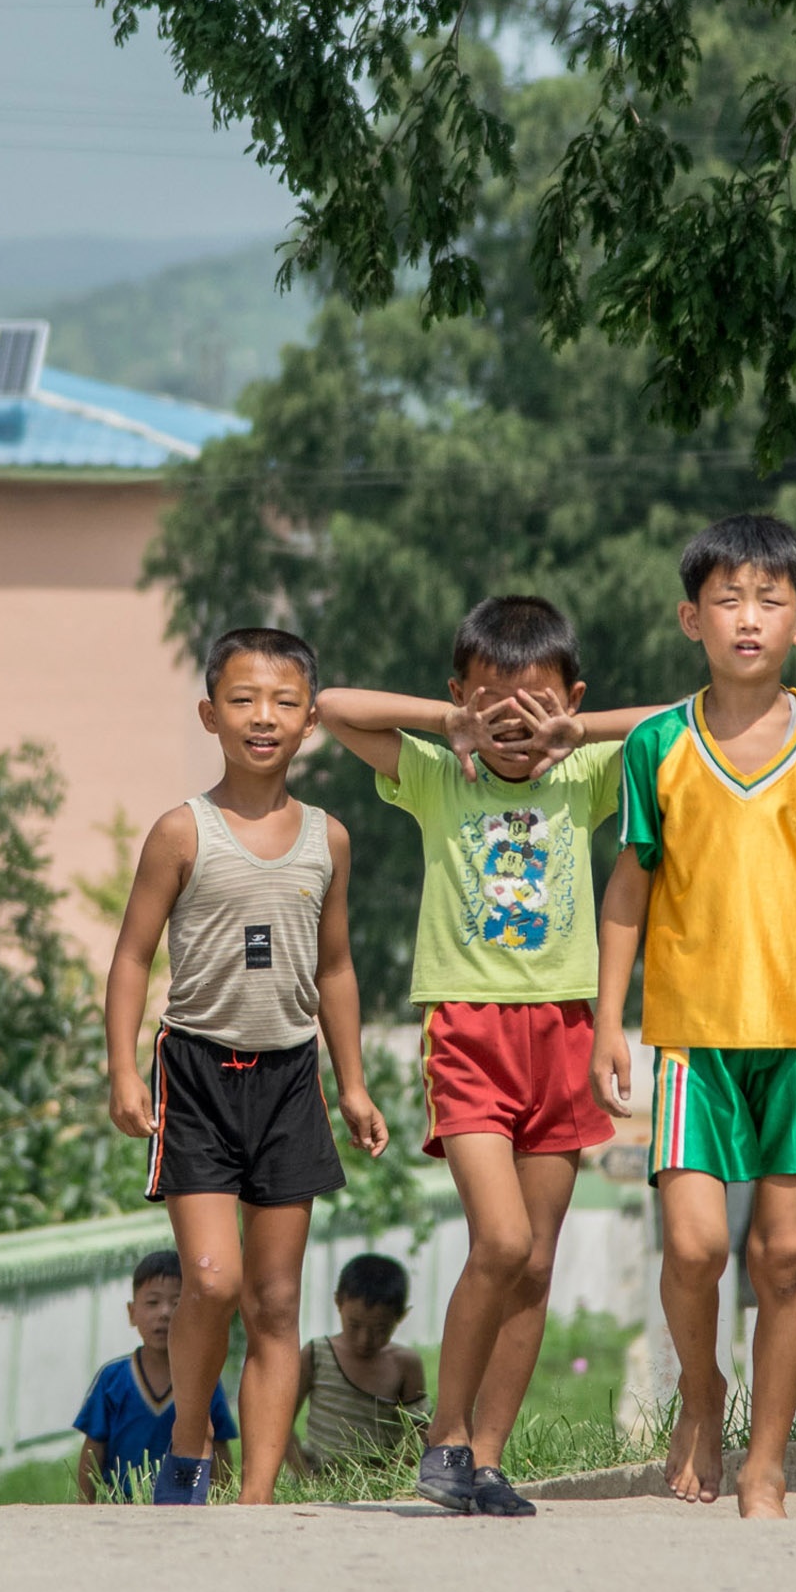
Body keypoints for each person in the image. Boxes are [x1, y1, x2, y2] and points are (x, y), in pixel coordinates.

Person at [589, 513, 796, 1518]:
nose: (747, 618)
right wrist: (610, 1021)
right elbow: (628, 888)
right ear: (691, 618)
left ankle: (764, 1463)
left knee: (783, 1257)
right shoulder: (657, 747)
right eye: (727, 599)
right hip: (691, 1042)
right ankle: (701, 1392)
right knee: (694, 1248)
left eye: (769, 601)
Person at [315, 596, 643, 1518]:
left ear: (571, 701)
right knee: (498, 1240)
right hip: (468, 1031)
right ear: (462, 697)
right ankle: (444, 1438)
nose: (514, 728)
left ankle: (487, 1459)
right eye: (493, 707)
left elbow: (686, 720)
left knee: (535, 1262)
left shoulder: (584, 776)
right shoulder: (438, 777)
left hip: (565, 1033)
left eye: (535, 708)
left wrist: (574, 730)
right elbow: (333, 706)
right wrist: (445, 722)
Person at [101, 627, 389, 1507]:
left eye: (284, 702)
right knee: (214, 1282)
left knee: (273, 1302)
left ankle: (254, 1499)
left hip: (290, 1079)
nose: (263, 718)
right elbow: (131, 957)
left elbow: (335, 968)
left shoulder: (329, 840)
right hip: (195, 1074)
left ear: (309, 720)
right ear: (209, 714)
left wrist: (353, 1083)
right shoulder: (183, 833)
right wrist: (123, 1071)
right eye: (242, 700)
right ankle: (191, 1443)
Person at [73, 1251, 237, 1500]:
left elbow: (220, 1448)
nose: (164, 1313)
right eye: (152, 1302)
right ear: (132, 1312)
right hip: (121, 1508)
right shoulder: (112, 1380)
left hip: (183, 1503)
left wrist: (222, 1499)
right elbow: (93, 1450)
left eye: (177, 1303)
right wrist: (84, 1505)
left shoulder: (205, 1379)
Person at [286, 1252, 426, 1474]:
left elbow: (419, 1431)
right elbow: (281, 1422)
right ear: (338, 1302)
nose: (365, 1340)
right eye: (354, 1325)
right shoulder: (317, 1354)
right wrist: (306, 1477)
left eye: (380, 1329)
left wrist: (394, 1474)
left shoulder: (405, 1364)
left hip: (374, 1483)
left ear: (401, 1316)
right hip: (318, 1476)